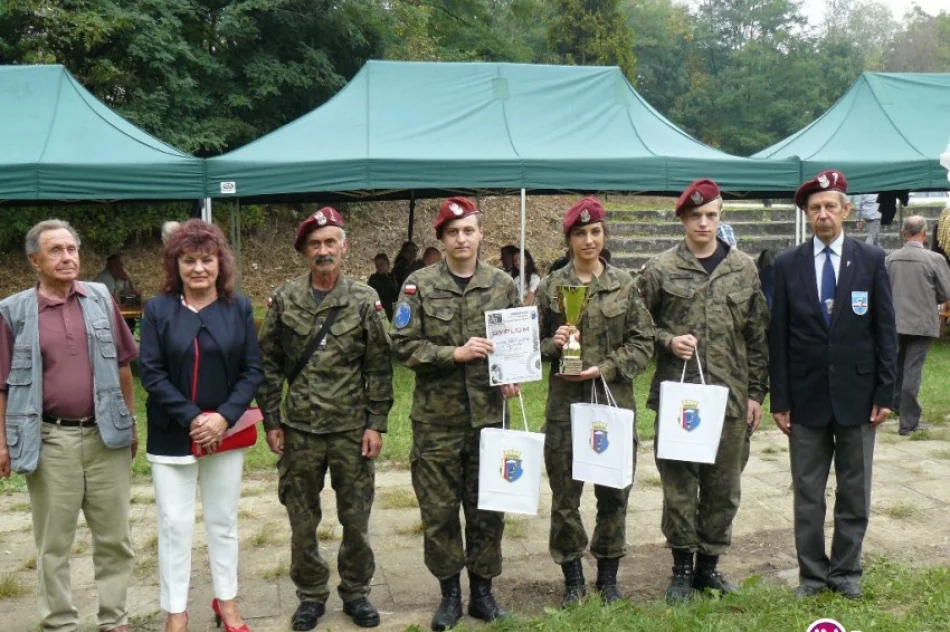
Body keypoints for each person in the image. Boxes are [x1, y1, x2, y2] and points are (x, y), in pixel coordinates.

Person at [257, 207, 393, 631]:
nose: (323, 250)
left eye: (330, 242)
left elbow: (378, 366)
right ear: (304, 251)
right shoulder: (284, 299)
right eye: (315, 244)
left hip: (352, 429)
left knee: (355, 519)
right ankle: (311, 595)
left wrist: (376, 423)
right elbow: (268, 364)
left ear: (344, 247)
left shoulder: (363, 299)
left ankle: (356, 593)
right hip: (299, 430)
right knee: (302, 519)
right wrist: (272, 420)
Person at [0, 219, 138, 632]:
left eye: (72, 249)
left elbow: (124, 365)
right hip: (49, 439)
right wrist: (3, 444)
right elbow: (1, 384)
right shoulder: (13, 311)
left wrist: (129, 423)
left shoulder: (100, 297)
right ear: (34, 261)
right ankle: (59, 623)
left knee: (115, 538)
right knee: (54, 544)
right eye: (56, 250)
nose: (67, 257)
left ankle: (115, 620)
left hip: (105, 437)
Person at [390, 197, 519, 631]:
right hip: (437, 422)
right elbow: (403, 346)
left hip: (488, 416)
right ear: (441, 239)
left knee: (487, 510)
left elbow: (516, 342)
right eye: (453, 232)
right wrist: (454, 353)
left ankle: (483, 593)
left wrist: (512, 374)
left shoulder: (503, 284)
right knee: (440, 511)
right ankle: (449, 595)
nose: (461, 239)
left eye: (469, 230)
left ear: (481, 234)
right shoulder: (418, 285)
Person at [640, 179, 770, 603]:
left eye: (711, 215)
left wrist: (756, 394)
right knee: (679, 485)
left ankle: (708, 568)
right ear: (683, 219)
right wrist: (667, 341)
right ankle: (681, 568)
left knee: (723, 487)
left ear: (720, 216)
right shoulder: (660, 269)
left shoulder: (743, 268)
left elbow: (757, 337)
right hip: (681, 397)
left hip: (729, 398)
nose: (704, 222)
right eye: (696, 216)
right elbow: (641, 327)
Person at [769, 170, 897, 600]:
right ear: (807, 215)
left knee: (854, 491)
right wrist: (780, 399)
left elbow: (885, 331)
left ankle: (846, 572)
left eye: (830, 206)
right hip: (805, 400)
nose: (823, 214)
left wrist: (885, 392)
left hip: (859, 399)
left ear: (846, 210)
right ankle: (811, 575)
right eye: (815, 208)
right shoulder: (787, 265)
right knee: (808, 493)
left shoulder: (871, 260)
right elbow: (779, 338)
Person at [138, 219, 264, 632]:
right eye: (188, 260)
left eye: (206, 260)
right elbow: (151, 372)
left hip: (225, 433)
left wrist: (223, 417)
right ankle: (176, 610)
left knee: (223, 521)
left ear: (219, 263)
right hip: (173, 435)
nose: (198, 268)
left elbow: (251, 370)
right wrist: (193, 418)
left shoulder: (239, 308)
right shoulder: (158, 310)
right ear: (175, 265)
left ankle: (226, 601)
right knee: (174, 525)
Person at [536, 197, 654, 607]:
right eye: (580, 233)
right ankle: (572, 577)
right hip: (565, 408)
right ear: (568, 239)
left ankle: (608, 576)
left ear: (604, 235)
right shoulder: (551, 287)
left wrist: (604, 367)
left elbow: (643, 343)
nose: (589, 240)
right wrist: (554, 343)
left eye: (596, 232)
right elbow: (530, 347)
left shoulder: (624, 283)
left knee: (614, 492)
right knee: (565, 496)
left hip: (612, 404)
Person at [885, 216, 950, 436]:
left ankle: (894, 405)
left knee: (895, 366)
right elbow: (945, 293)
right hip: (921, 323)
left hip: (893, 321)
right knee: (912, 370)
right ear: (923, 233)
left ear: (904, 233)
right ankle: (909, 421)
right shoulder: (934, 259)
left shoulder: (890, 259)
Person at [367, 253, 399, 320]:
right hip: (381, 311)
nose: (379, 267)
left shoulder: (392, 276)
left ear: (387, 264)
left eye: (381, 264)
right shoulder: (374, 279)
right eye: (377, 265)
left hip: (393, 310)